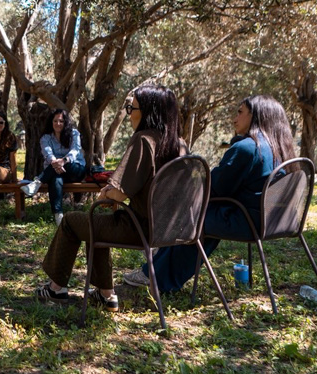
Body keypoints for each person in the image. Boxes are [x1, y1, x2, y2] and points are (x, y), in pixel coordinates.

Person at [122, 95, 296, 293]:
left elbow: (213, 188)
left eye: (240, 112)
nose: (234, 119)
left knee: (193, 218)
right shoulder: (279, 150)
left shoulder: (247, 148)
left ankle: (155, 276)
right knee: (204, 215)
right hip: (275, 221)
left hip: (247, 221)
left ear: (256, 117)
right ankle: (155, 268)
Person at [35, 86, 186, 312]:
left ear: (147, 111)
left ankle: (56, 288)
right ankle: (106, 295)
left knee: (72, 221)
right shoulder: (180, 144)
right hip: (175, 228)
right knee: (97, 222)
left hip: (140, 228)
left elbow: (118, 192)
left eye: (130, 108)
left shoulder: (144, 140)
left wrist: (105, 192)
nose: (128, 114)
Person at [21, 109, 88, 226]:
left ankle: (37, 182)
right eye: (55, 121)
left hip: (75, 170)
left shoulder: (74, 134)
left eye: (61, 121)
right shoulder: (45, 138)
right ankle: (59, 216)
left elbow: (75, 151)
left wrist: (63, 161)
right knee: (56, 180)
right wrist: (55, 163)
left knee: (67, 165)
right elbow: (47, 154)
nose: (58, 124)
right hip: (56, 171)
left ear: (65, 122)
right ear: (51, 122)